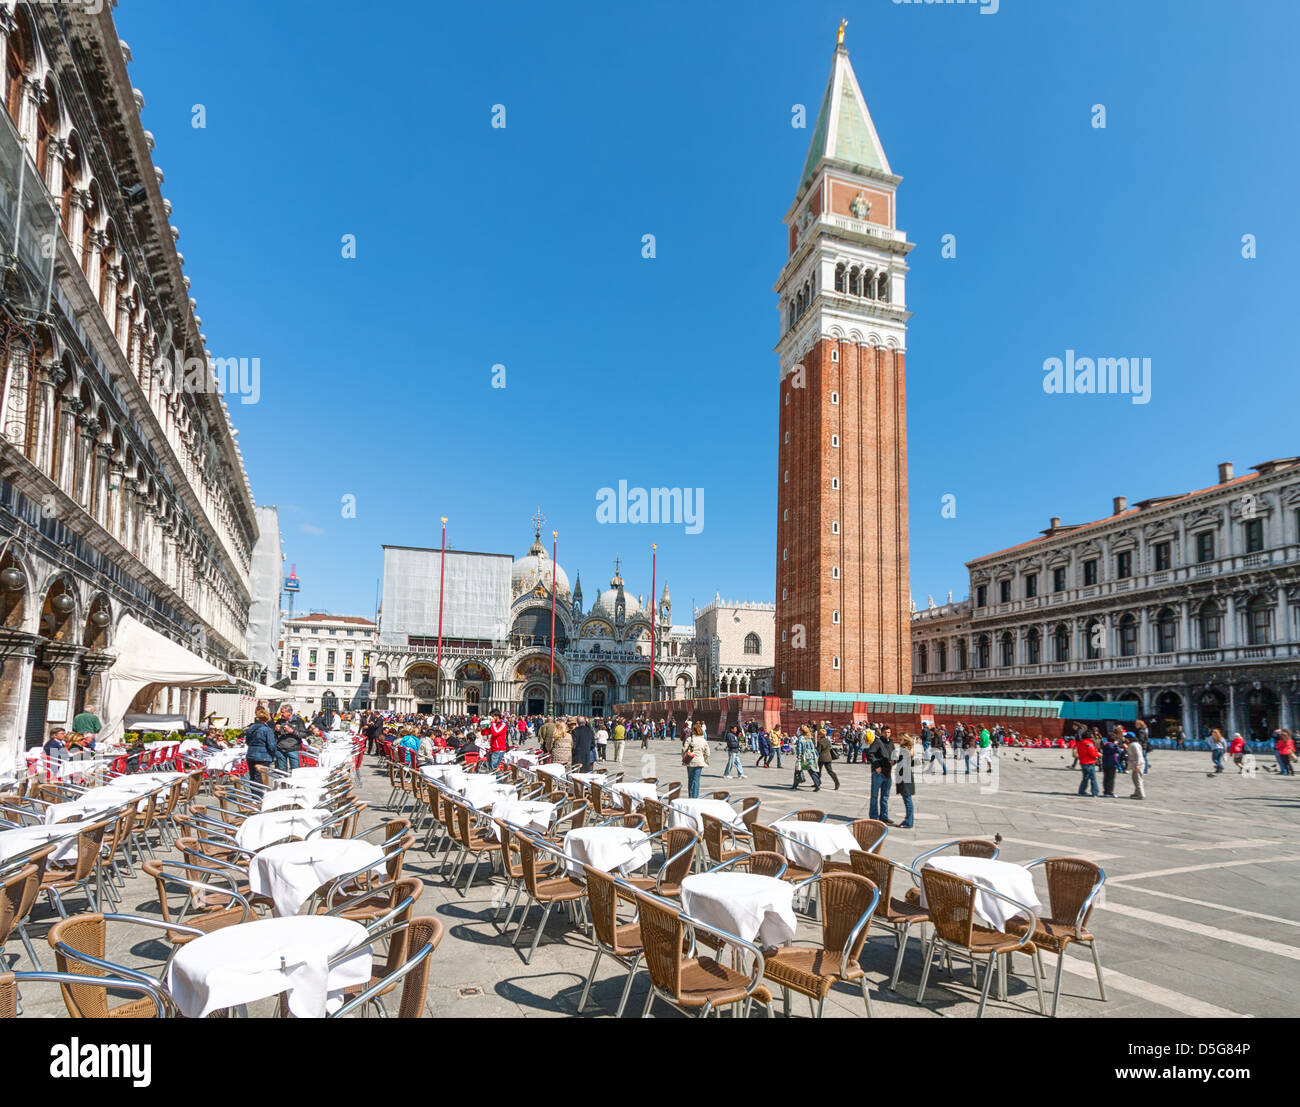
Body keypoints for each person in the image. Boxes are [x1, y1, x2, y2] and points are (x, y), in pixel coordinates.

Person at [866, 725, 894, 820]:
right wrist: (876, 766)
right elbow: (870, 754)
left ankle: (884, 816)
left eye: (889, 732)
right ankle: (873, 816)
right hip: (878, 772)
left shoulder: (891, 743)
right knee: (874, 796)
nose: (887, 734)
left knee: (885, 796)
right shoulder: (877, 742)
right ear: (882, 733)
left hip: (888, 772)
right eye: (885, 732)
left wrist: (894, 761)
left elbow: (894, 754)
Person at [245, 707, 278, 786]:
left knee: (252, 778)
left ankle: (254, 796)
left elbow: (247, 742)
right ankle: (259, 796)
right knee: (260, 778)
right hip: (263, 756)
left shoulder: (250, 728)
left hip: (251, 755)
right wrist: (274, 754)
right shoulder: (267, 730)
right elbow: (271, 745)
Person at [272, 703, 306, 771]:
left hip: (293, 749)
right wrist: (275, 730)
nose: (281, 714)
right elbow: (274, 734)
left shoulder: (298, 721)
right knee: (281, 771)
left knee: (295, 771)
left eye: (283, 712)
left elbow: (303, 735)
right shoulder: (279, 721)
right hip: (280, 749)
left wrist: (292, 731)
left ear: (289, 713)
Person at [682, 722, 710, 798]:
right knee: (696, 780)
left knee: (690, 779)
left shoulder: (689, 739)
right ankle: (695, 797)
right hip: (699, 762)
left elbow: (684, 749)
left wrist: (683, 758)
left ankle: (690, 796)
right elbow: (708, 753)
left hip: (690, 761)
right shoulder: (703, 741)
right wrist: (705, 759)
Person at [893, 734, 916, 828]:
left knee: (907, 800)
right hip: (907, 776)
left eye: (901, 739)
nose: (899, 740)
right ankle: (908, 820)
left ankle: (909, 822)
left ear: (905, 740)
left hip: (905, 777)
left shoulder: (904, 750)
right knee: (907, 799)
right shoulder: (907, 750)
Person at [793, 726, 820, 791]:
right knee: (812, 770)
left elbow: (799, 748)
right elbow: (813, 747)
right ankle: (817, 784)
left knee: (797, 770)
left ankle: (795, 785)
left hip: (804, 756)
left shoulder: (801, 738)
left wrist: (799, 756)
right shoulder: (809, 737)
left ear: (802, 731)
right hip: (811, 756)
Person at [1076, 729, 1100, 797]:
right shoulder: (1089, 744)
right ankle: (1095, 792)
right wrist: (1098, 754)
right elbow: (1092, 753)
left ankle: (1081, 791)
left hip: (1083, 762)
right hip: (1089, 762)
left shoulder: (1080, 743)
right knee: (1093, 778)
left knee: (1085, 777)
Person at [1101, 731, 1120, 797]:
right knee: (1111, 778)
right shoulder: (1112, 745)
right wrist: (1116, 744)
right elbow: (1118, 751)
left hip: (1105, 762)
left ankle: (1106, 790)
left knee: (1106, 777)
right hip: (1111, 763)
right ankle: (1109, 792)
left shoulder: (1105, 744)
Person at [1127, 734, 1146, 799]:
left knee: (1138, 779)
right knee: (1135, 778)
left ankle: (1141, 794)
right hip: (1137, 763)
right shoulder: (1135, 744)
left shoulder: (1134, 745)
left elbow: (1139, 755)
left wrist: (1138, 764)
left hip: (1138, 764)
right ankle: (1136, 793)